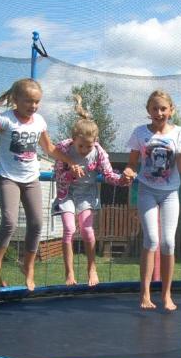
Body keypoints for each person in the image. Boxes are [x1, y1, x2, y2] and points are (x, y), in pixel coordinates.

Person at [0, 78, 82, 292]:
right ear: (16, 100)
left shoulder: (39, 122)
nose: (33, 106)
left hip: (31, 179)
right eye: (29, 101)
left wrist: (70, 162)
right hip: (8, 177)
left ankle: (28, 267)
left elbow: (49, 148)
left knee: (37, 223)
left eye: (37, 102)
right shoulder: (5, 120)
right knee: (10, 222)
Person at [52, 95, 135, 287]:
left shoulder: (98, 152)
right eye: (80, 146)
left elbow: (108, 175)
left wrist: (122, 179)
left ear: (95, 141)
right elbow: (58, 176)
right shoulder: (63, 149)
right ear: (73, 140)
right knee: (69, 230)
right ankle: (69, 272)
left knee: (88, 231)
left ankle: (91, 267)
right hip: (67, 192)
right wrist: (71, 173)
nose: (84, 150)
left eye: (88, 146)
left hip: (87, 194)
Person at [127, 90, 181, 311]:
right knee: (152, 240)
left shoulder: (179, 133)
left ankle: (166, 295)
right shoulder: (140, 133)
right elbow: (132, 163)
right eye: (154, 108)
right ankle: (145, 294)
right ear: (148, 111)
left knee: (168, 243)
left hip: (170, 192)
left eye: (163, 108)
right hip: (146, 190)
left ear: (171, 110)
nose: (159, 112)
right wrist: (127, 170)